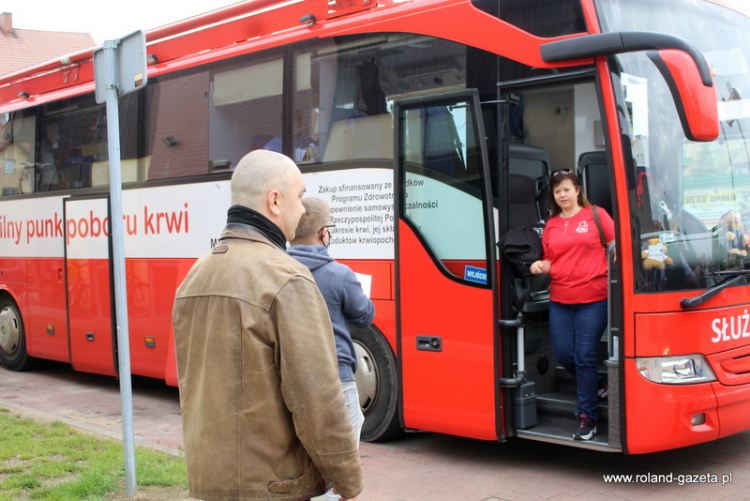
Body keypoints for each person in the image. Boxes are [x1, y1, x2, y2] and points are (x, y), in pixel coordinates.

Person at [172, 150, 363, 501]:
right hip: (272, 485)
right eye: (300, 195)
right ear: (275, 201)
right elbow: (316, 399)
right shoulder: (287, 278)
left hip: (208, 481)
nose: (303, 209)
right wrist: (347, 479)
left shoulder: (195, 275)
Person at [288, 198, 374, 500]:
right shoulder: (340, 275)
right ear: (323, 233)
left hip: (291, 378)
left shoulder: (277, 269)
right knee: (339, 457)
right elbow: (365, 315)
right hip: (336, 379)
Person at [530, 168, 615, 441]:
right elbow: (551, 259)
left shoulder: (596, 216)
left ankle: (586, 417)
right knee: (565, 354)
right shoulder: (552, 224)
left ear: (578, 190)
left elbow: (617, 246)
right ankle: (599, 383)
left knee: (585, 356)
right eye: (557, 191)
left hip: (594, 298)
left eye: (566, 189)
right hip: (561, 299)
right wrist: (540, 265)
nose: (562, 195)